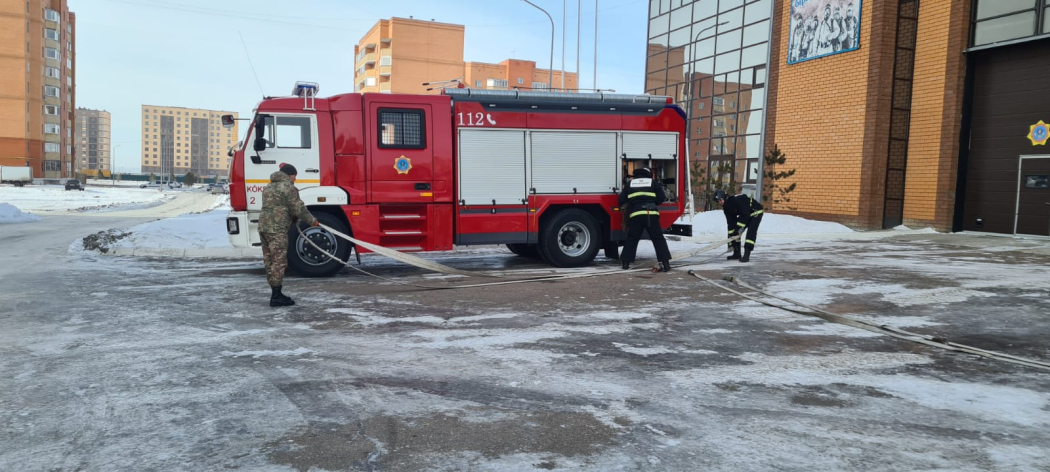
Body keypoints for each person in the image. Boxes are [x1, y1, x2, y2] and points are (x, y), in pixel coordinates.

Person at [258, 163, 319, 307]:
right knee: (279, 262)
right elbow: (298, 208)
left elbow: (278, 206)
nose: (295, 179)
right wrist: (313, 221)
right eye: (294, 176)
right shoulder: (288, 188)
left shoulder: (268, 187)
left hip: (263, 227)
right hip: (277, 229)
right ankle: (276, 296)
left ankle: (275, 291)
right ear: (289, 175)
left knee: (269, 260)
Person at [618, 167, 672, 272]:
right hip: (650, 214)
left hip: (636, 215)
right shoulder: (653, 183)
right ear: (648, 174)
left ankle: (625, 263)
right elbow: (661, 198)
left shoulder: (630, 184)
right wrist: (652, 202)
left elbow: (621, 200)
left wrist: (632, 203)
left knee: (632, 238)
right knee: (658, 239)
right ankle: (666, 264)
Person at [714, 189, 764, 263]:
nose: (720, 202)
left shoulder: (735, 201)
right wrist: (730, 241)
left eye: (720, 200)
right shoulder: (726, 208)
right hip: (746, 214)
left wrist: (738, 228)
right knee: (735, 231)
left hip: (756, 211)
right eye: (718, 201)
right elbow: (730, 223)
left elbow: (745, 215)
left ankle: (747, 255)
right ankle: (737, 253)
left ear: (724, 197)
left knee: (751, 232)